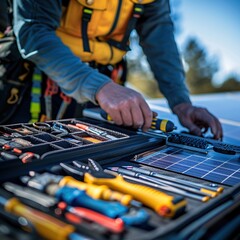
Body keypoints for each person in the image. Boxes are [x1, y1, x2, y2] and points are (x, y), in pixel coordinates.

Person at [13, 0, 222, 139]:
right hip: (40, 77)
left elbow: (161, 42)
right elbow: (33, 30)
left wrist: (182, 103)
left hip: (108, 83)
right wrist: (100, 87)